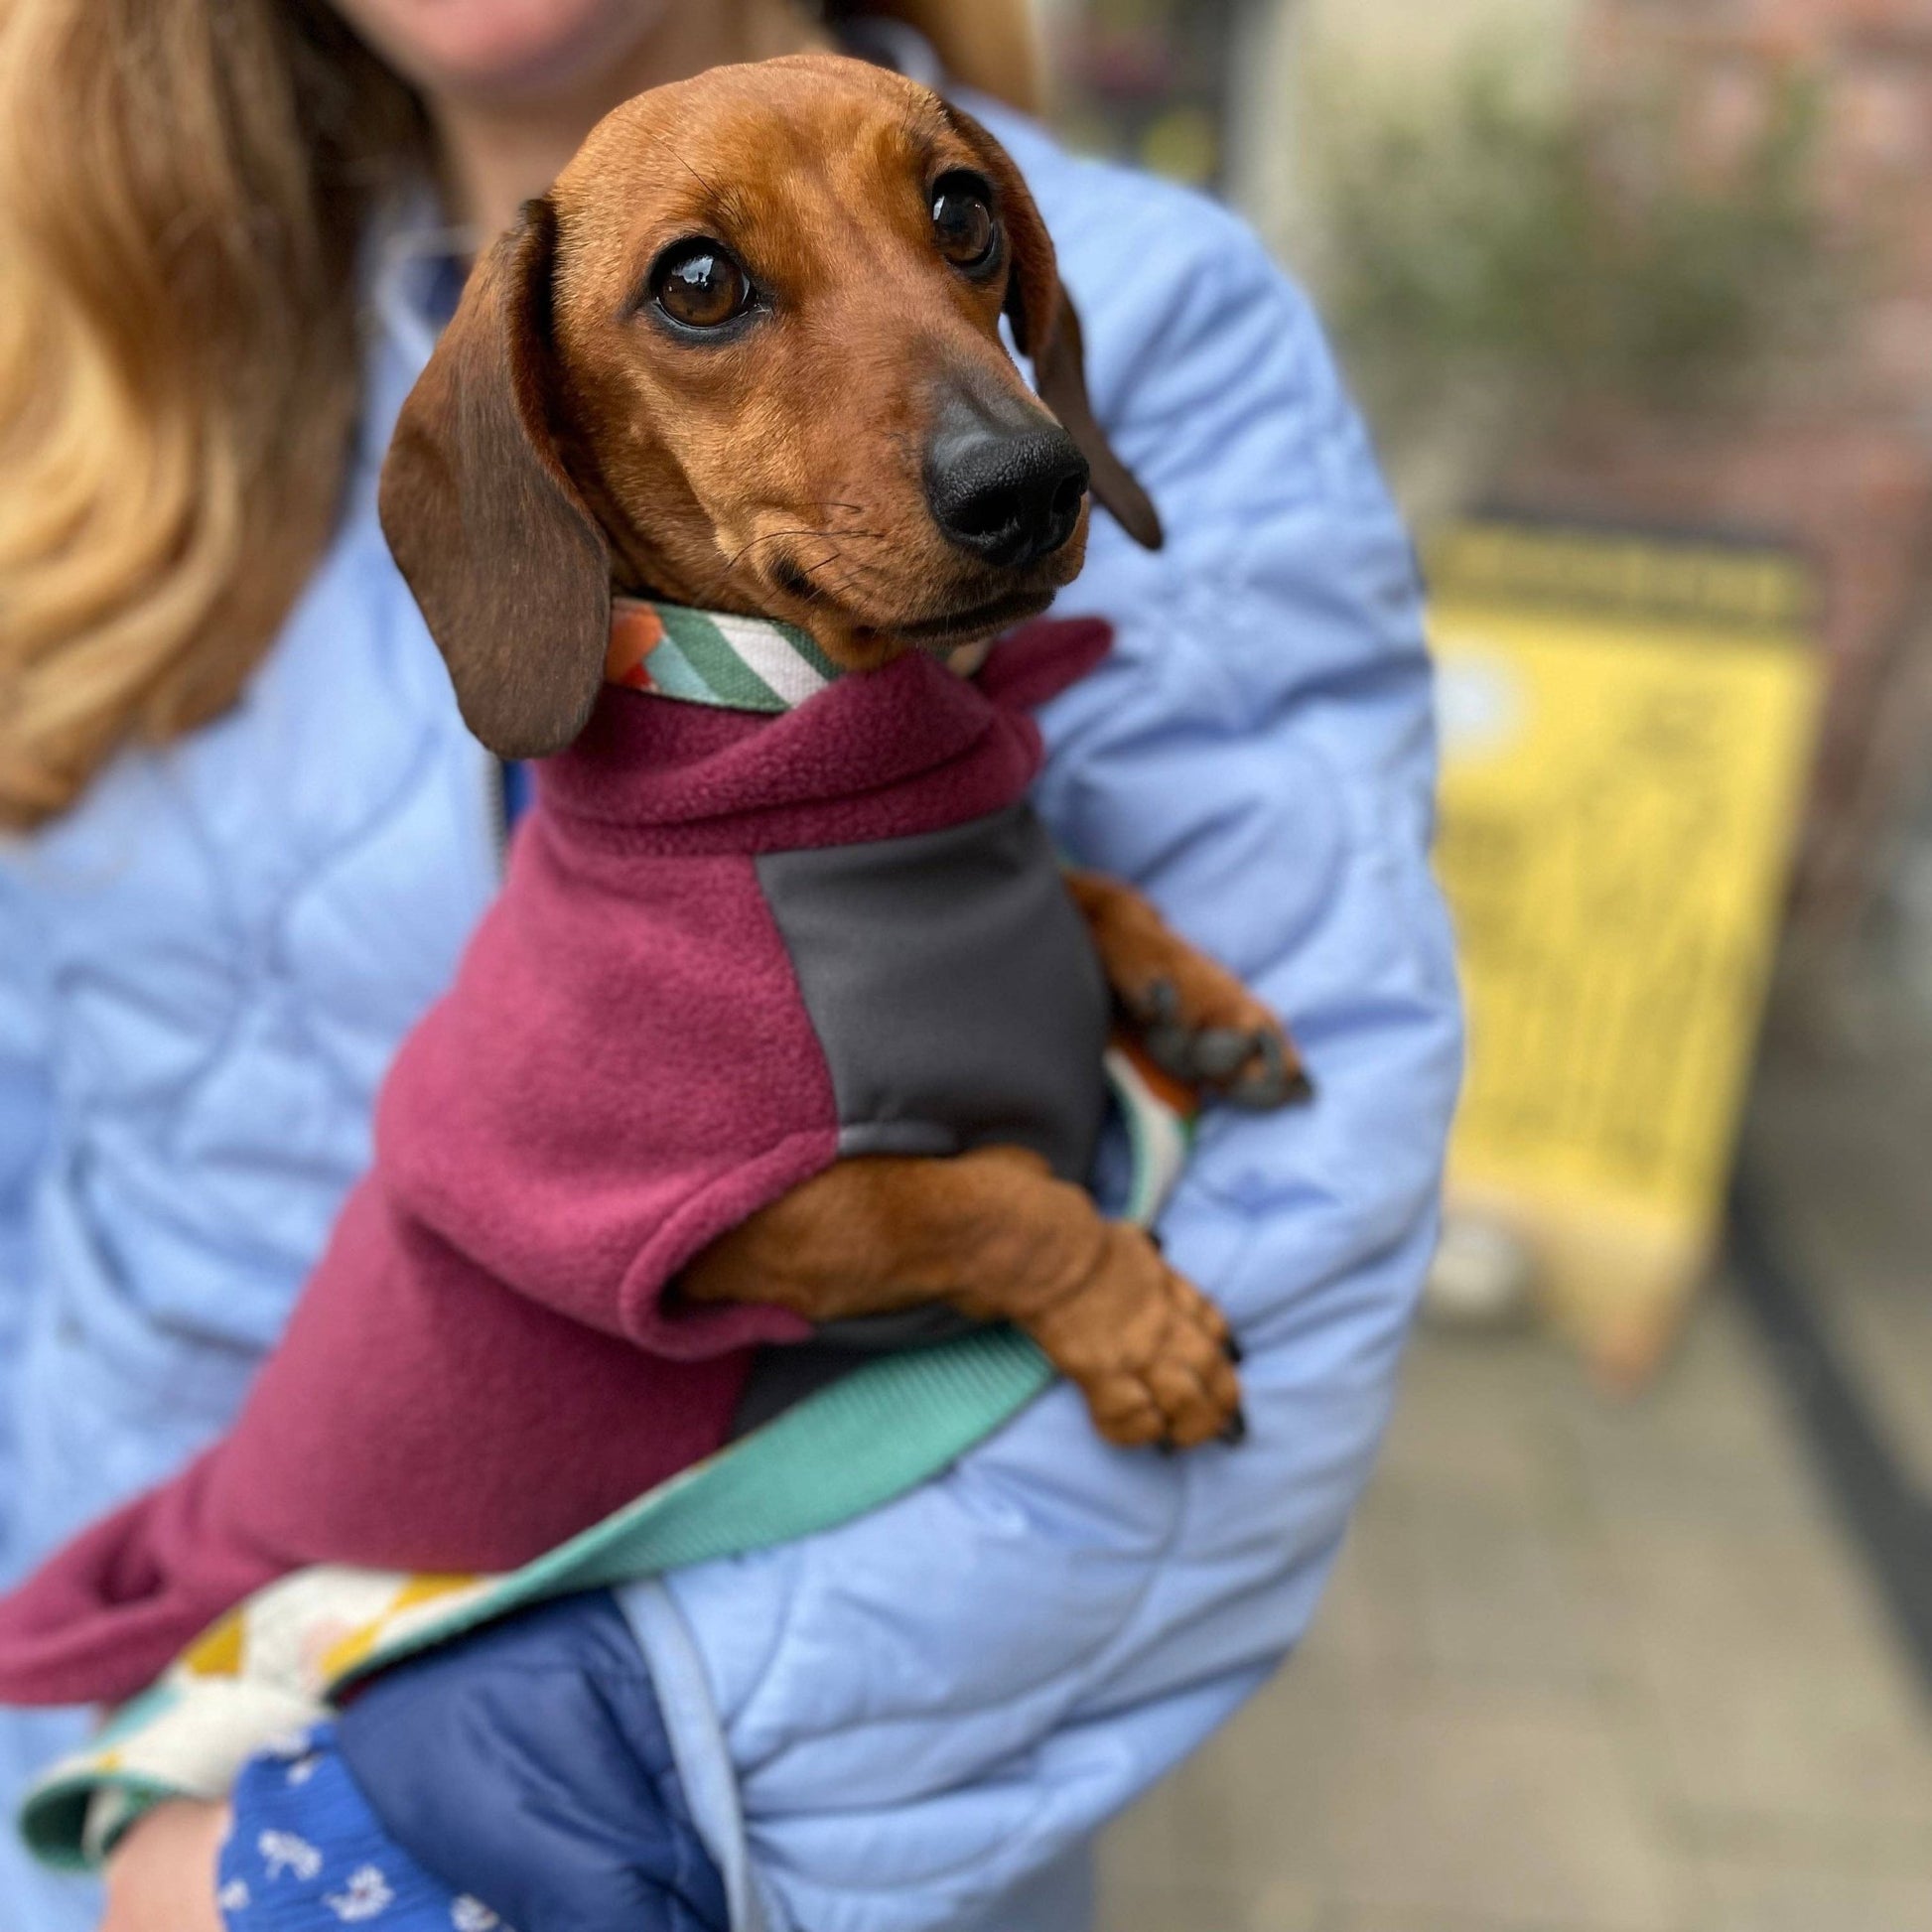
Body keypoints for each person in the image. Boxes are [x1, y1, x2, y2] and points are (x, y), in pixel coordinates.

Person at [0, 0, 1462, 1927]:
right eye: (705, 289)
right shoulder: (84, 350)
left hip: (679, 1829)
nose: (971, 407)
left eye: (949, 231)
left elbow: (1303, 1239)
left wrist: (421, 1830)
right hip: (134, 1724)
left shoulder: (1173, 307)